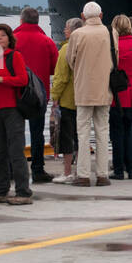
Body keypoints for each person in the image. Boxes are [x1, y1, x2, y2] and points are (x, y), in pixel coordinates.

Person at [0, 23, 33, 205]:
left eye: (2, 35)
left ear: (9, 38)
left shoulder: (15, 56)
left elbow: (22, 79)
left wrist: (0, 79)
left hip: (12, 109)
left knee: (16, 151)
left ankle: (23, 192)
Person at [65, 1, 117, 187]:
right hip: (105, 89)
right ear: (101, 15)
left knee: (83, 132)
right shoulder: (111, 33)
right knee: (103, 131)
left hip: (84, 89)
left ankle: (84, 175)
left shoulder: (77, 34)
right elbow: (115, 57)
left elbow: (70, 60)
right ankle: (103, 175)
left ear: (82, 16)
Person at [11, 7, 60, 184]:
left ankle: (11, 170)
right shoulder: (47, 41)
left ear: (21, 20)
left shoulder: (11, 40)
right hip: (38, 95)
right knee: (37, 133)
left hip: (14, 93)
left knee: (14, 133)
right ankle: (38, 170)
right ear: (38, 21)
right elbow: (55, 68)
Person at [108, 15, 132, 179]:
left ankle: (118, 169)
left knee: (116, 132)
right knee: (130, 130)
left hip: (118, 91)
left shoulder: (113, 46)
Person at [49, 17, 82, 182]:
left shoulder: (66, 50)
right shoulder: (84, 47)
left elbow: (61, 77)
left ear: (73, 31)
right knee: (80, 135)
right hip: (84, 97)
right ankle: (82, 170)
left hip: (68, 99)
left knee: (66, 135)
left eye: (66, 28)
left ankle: (68, 171)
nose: (64, 31)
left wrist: (54, 96)